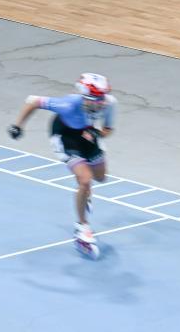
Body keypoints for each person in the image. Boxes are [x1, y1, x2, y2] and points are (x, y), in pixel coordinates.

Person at [8, 73, 116, 244]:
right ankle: (82, 225)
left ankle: (85, 190)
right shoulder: (68, 104)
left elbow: (108, 128)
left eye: (102, 97)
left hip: (88, 133)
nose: (101, 102)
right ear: (84, 98)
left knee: (101, 177)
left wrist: (97, 134)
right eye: (96, 99)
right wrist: (18, 125)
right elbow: (33, 101)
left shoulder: (109, 103)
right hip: (65, 136)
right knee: (85, 180)